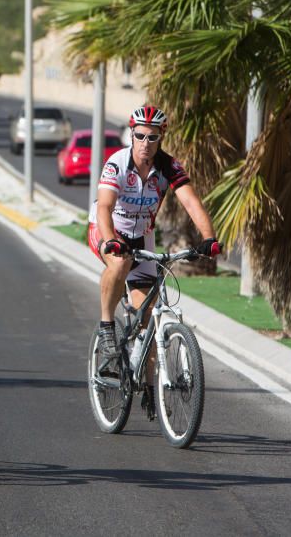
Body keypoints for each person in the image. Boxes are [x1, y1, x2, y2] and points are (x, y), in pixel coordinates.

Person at [87, 105, 221, 379]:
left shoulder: (169, 166)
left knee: (148, 316)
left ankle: (149, 387)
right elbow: (104, 208)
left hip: (142, 236)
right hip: (108, 229)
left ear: (162, 136)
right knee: (120, 261)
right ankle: (106, 325)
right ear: (131, 134)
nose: (145, 144)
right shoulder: (116, 164)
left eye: (152, 137)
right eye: (139, 136)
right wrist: (111, 240)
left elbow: (191, 202)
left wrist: (209, 238)